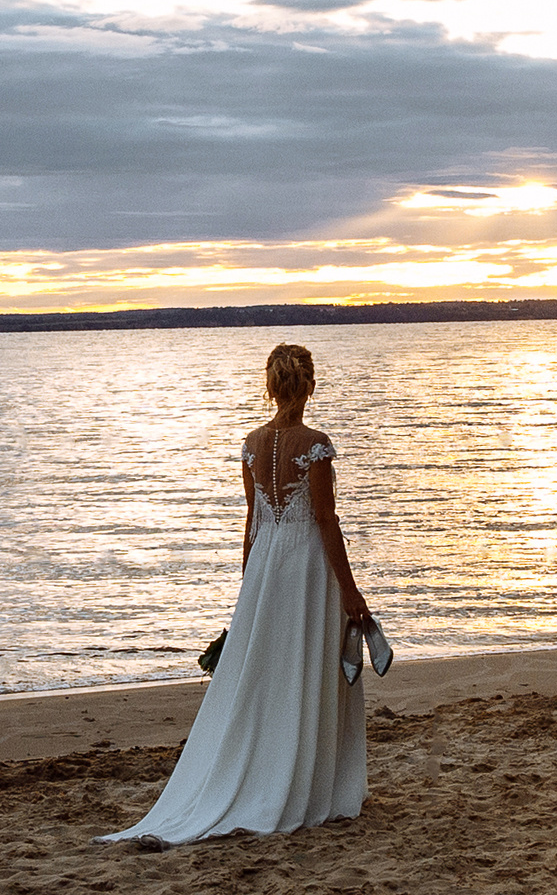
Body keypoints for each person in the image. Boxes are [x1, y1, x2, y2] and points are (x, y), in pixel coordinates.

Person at [99, 343, 371, 844]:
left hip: (267, 563)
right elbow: (326, 521)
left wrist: (250, 585)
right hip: (308, 566)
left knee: (267, 667)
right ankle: (308, 783)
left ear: (269, 387)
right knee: (306, 665)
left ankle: (271, 769)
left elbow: (252, 520)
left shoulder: (251, 443)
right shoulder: (315, 444)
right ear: (309, 385)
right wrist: (351, 591)